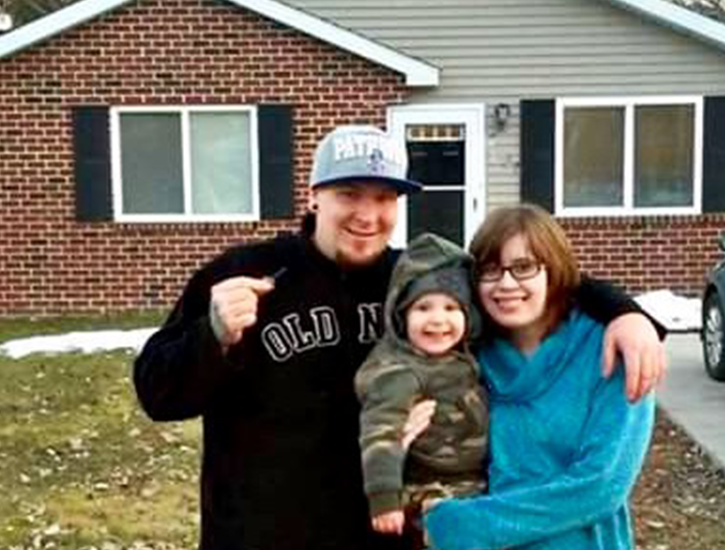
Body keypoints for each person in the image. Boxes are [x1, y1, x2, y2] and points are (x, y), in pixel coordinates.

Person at [133, 124, 664, 550]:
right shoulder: (244, 273)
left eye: (385, 197)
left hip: (385, 531)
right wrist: (214, 335)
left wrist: (625, 312)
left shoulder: (417, 280)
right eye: (349, 193)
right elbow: (158, 393)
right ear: (315, 195)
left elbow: (516, 276)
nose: (368, 214)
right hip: (261, 532)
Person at [425, 204, 656, 550]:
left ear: (554, 270)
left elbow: (601, 485)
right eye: (490, 270)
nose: (505, 283)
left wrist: (464, 524)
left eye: (524, 267)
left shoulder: (611, 350)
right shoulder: (465, 359)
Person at [355, 233, 488, 548]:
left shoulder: (462, 356)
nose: (438, 320)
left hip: (473, 482)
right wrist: (384, 498)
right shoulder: (400, 371)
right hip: (427, 487)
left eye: (451, 307)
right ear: (402, 315)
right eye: (423, 307)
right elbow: (379, 432)